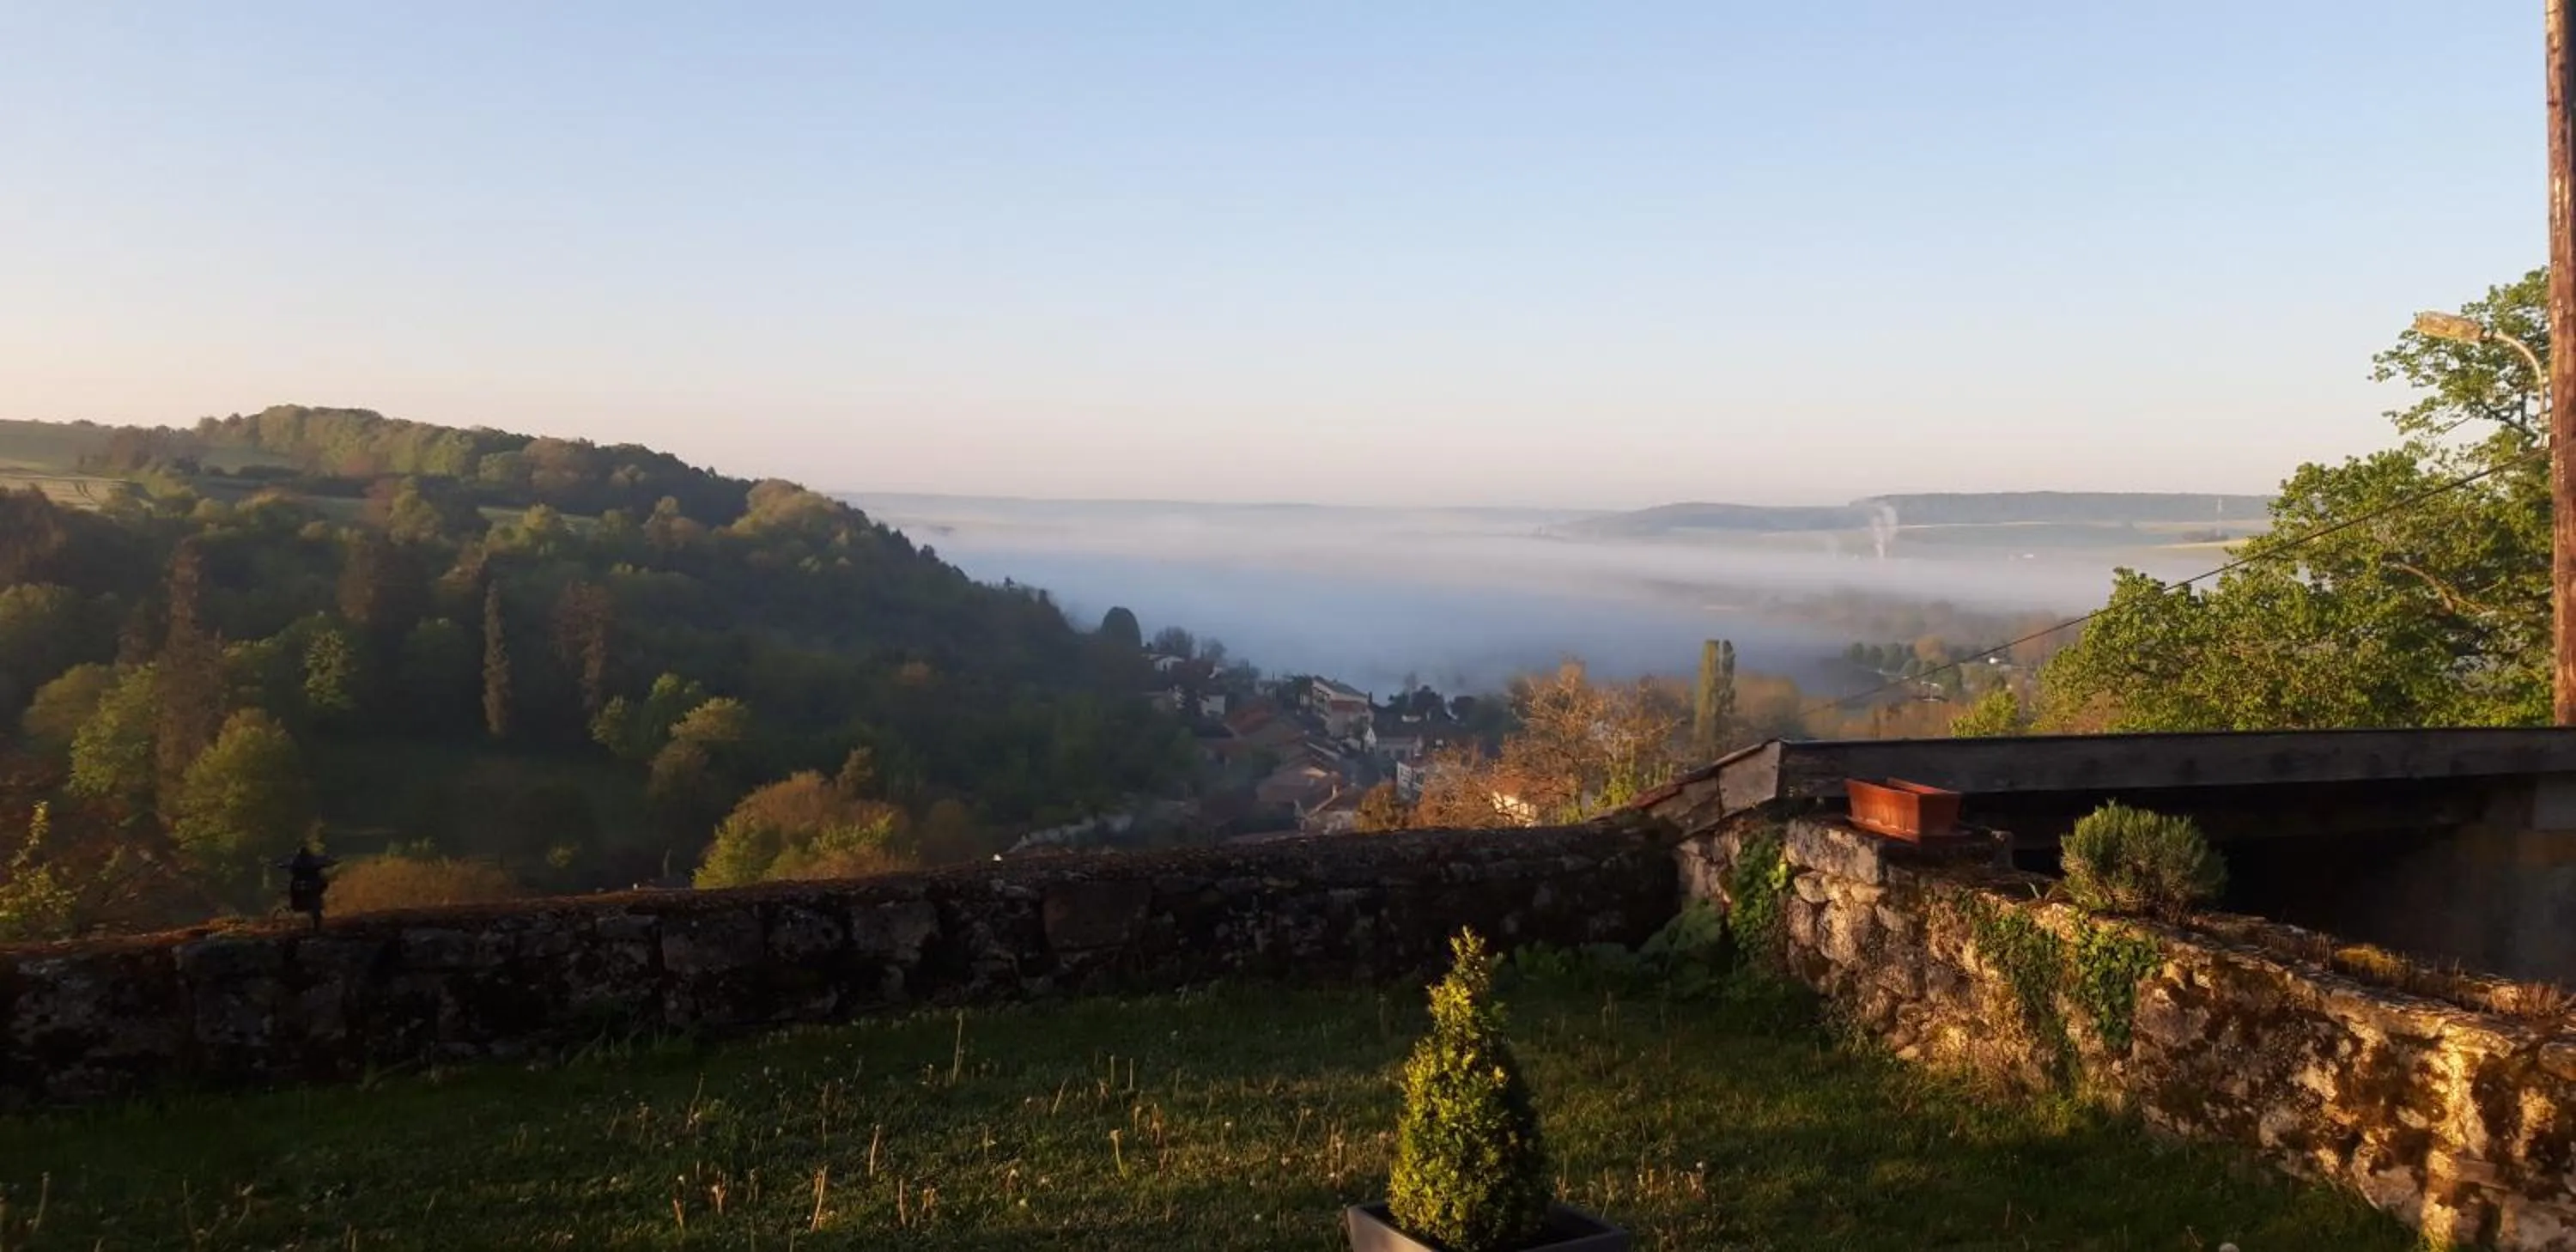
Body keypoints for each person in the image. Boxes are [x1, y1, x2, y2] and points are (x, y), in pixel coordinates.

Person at [276, 846, 337, 930]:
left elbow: (326, 863)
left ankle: (314, 922)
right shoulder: (299, 862)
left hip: (311, 885)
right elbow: (283, 865)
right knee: (299, 900)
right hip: (303, 885)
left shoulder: (306, 862)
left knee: (315, 900)